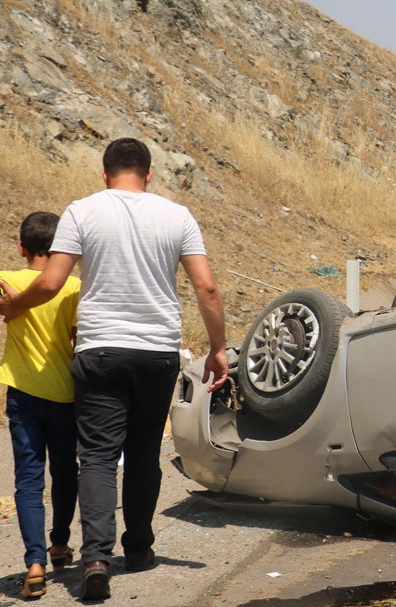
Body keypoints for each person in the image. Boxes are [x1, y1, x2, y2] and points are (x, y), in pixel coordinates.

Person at [0, 138, 229, 601]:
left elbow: (50, 282)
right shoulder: (177, 215)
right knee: (144, 453)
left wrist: (14, 306)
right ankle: (140, 549)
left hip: (100, 350)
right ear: (148, 175)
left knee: (99, 456)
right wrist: (218, 348)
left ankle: (97, 558)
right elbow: (206, 288)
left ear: (104, 174)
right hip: (157, 353)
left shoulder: (82, 212)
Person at [0, 212, 81, 599]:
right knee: (66, 472)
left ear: (21, 248)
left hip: (22, 394)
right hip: (65, 395)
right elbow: (78, 339)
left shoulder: (7, 282)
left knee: (28, 481)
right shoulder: (73, 287)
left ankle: (34, 563)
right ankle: (60, 544)